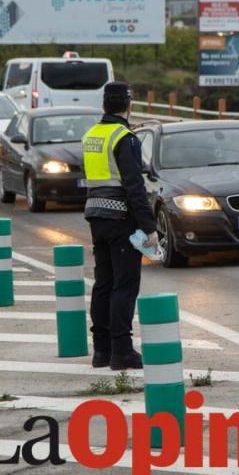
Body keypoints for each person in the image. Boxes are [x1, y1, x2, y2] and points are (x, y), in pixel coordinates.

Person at [82, 81, 158, 370]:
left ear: (104, 104)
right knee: (125, 286)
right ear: (129, 104)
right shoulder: (125, 137)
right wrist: (149, 227)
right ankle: (122, 351)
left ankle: (101, 350)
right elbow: (134, 186)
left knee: (104, 283)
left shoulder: (92, 135)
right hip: (120, 218)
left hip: (96, 216)